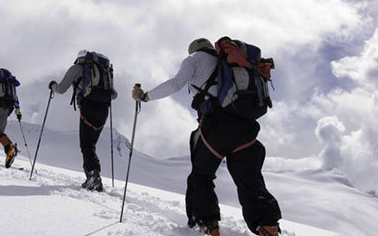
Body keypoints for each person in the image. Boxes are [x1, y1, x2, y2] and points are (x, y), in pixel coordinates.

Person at [131, 38, 281, 236]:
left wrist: (145, 96)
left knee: (201, 176)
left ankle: (207, 223)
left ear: (193, 49)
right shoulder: (228, 62)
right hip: (246, 127)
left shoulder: (194, 59)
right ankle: (268, 224)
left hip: (217, 126)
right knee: (249, 178)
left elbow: (176, 84)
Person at [49, 50, 117, 191]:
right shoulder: (104, 70)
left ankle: (93, 177)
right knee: (90, 144)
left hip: (88, 107)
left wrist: (52, 86)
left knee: (86, 145)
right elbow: (114, 94)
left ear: (79, 59)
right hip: (103, 110)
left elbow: (61, 89)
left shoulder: (77, 69)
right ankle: (93, 175)